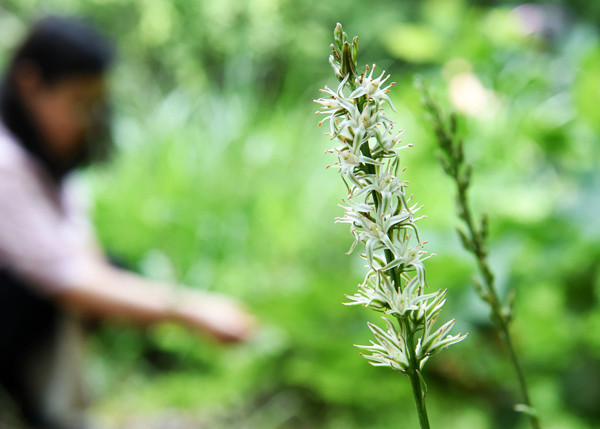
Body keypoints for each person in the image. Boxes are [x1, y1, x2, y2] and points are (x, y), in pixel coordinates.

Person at [0, 15, 256, 429]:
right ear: (30, 82)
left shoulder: (48, 160)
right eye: (79, 102)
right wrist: (192, 310)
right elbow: (66, 278)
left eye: (95, 105)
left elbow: (84, 254)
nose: (89, 120)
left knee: (113, 273)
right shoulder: (6, 162)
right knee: (45, 295)